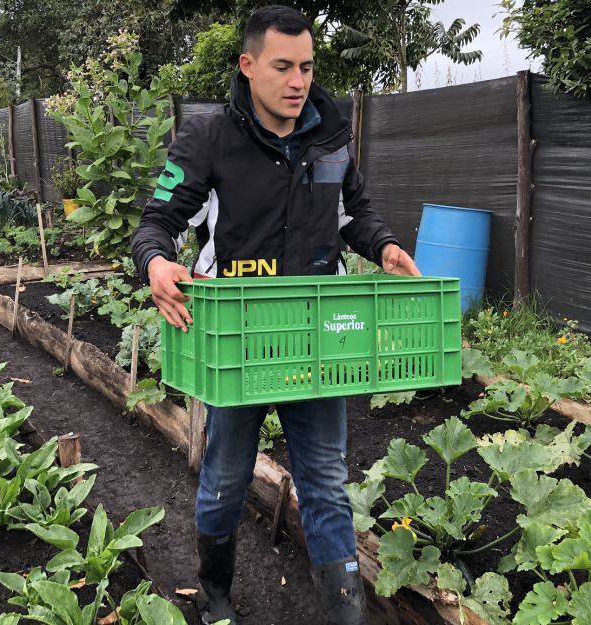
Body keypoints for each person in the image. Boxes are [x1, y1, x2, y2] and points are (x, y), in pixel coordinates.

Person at [131, 5, 419, 624]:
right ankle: (215, 601)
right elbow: (157, 221)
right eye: (283, 66)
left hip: (314, 337)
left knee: (324, 483)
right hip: (236, 341)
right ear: (248, 65)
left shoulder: (330, 138)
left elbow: (354, 216)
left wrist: (386, 245)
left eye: (307, 67)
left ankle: (347, 617)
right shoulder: (208, 139)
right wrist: (157, 263)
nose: (298, 81)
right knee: (226, 480)